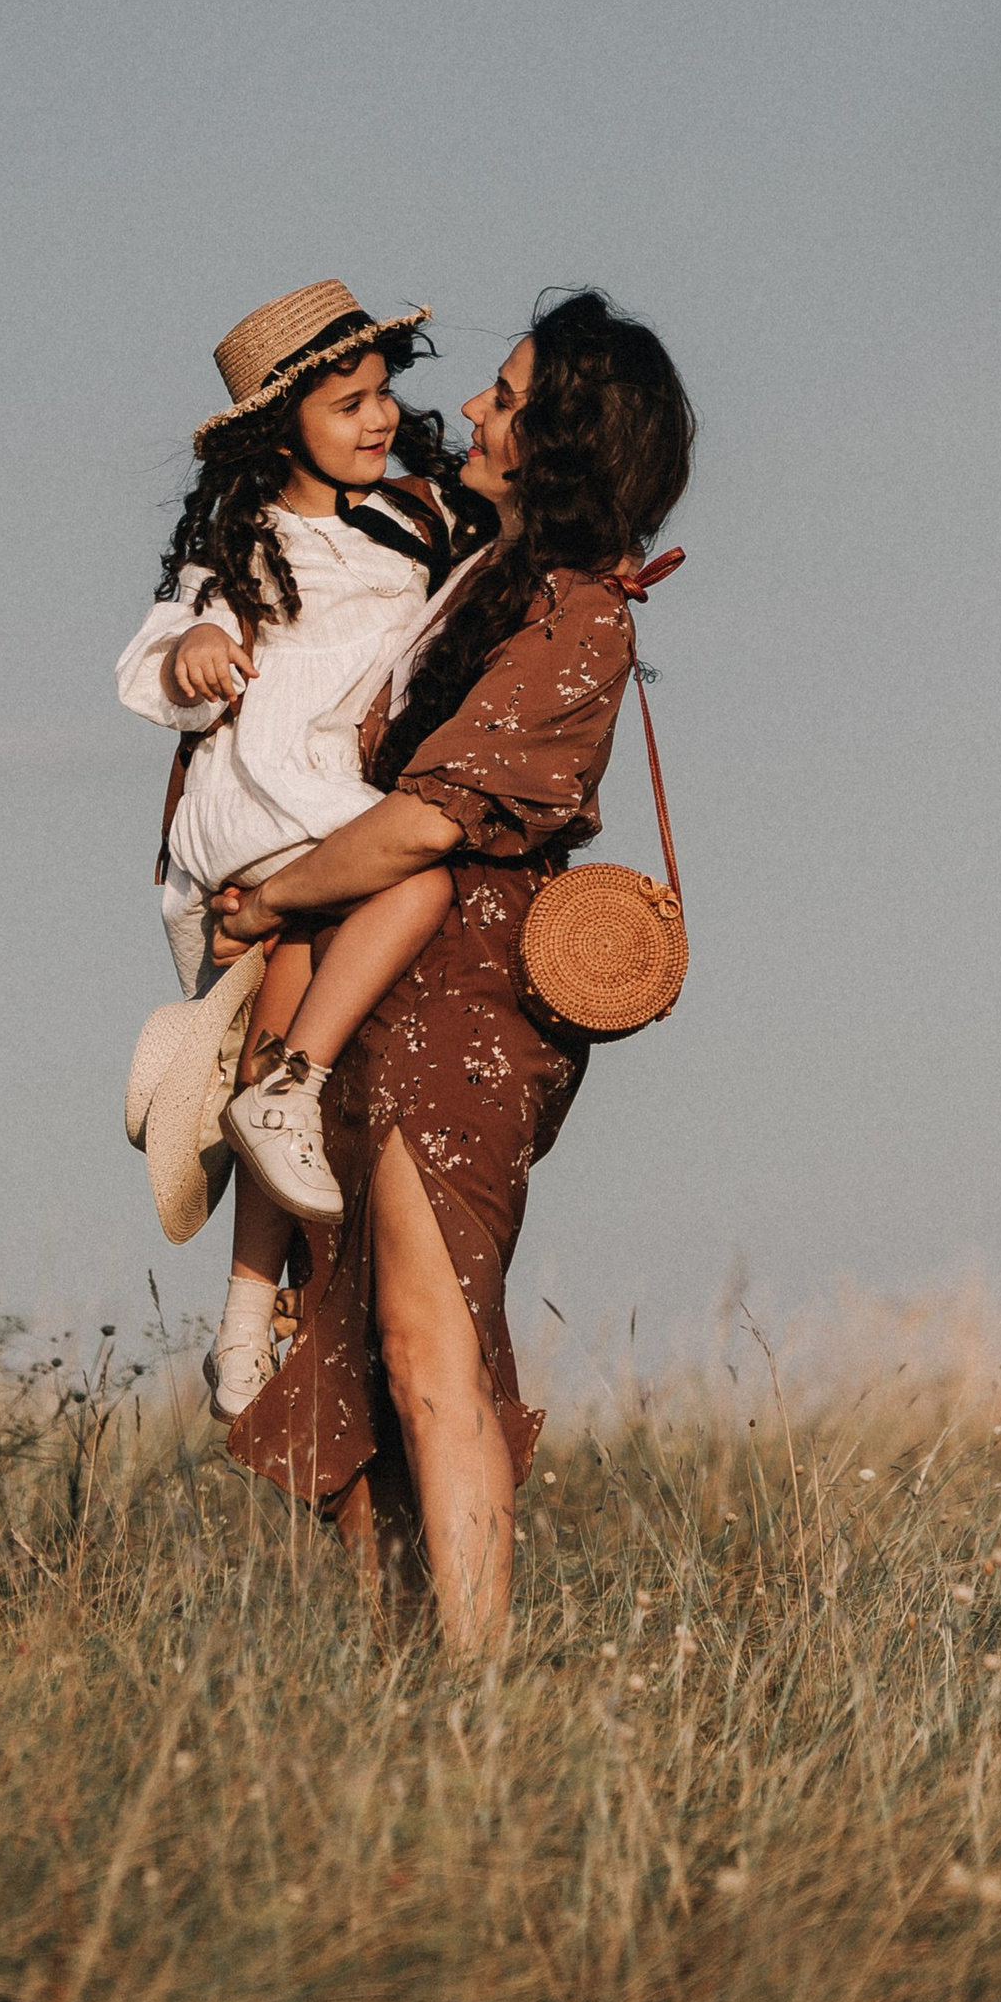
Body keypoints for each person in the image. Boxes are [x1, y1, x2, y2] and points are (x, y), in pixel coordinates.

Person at [209, 289, 695, 1648]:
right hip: (375, 990)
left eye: (507, 395)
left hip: (463, 1007)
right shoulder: (480, 574)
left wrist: (270, 897)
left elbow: (429, 819)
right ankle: (404, 1677)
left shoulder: (583, 616)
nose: (473, 409)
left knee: (431, 1340)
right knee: (355, 1346)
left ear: (563, 439)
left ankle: (477, 1692)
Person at [115, 282, 483, 1417]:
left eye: (381, 394)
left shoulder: (415, 521)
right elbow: (161, 653)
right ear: (283, 432)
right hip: (269, 799)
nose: (378, 418)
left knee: (298, 972)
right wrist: (197, 648)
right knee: (416, 876)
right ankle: (290, 1089)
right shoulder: (242, 550)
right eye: (346, 404)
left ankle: (243, 1314)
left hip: (334, 797)